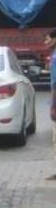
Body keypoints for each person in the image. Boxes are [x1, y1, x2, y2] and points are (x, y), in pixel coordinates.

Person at [46, 30, 56, 181]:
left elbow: (55, 85)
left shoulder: (54, 58)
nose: (45, 42)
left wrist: (53, 106)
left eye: (48, 39)